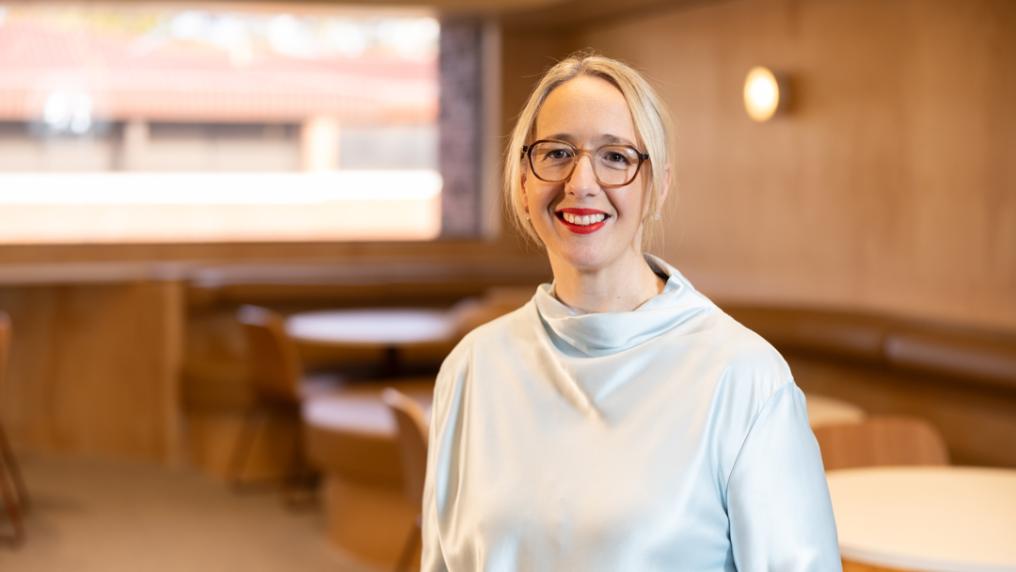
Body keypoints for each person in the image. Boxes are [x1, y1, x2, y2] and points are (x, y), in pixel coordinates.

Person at [421, 53, 841, 571]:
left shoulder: (746, 378)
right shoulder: (471, 368)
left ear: (657, 187)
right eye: (556, 153)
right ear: (524, 183)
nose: (581, 182)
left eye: (615, 157)